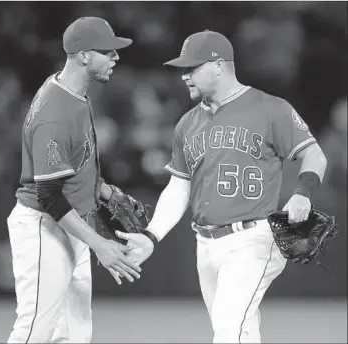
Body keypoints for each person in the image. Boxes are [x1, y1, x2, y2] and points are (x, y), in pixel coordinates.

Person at [115, 30, 328, 343]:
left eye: (192, 68)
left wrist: (302, 194)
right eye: (182, 70)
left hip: (252, 240)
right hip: (206, 245)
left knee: (229, 330)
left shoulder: (270, 108)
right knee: (240, 329)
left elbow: (314, 155)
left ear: (218, 65)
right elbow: (178, 187)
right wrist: (151, 236)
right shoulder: (187, 123)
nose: (184, 76)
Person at [7, 17, 142, 343]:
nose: (116, 57)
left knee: (73, 335)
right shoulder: (55, 113)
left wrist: (105, 192)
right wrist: (101, 245)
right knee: (34, 332)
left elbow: (73, 168)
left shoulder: (72, 91)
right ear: (83, 55)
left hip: (70, 224)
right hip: (46, 227)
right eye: (108, 51)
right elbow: (49, 195)